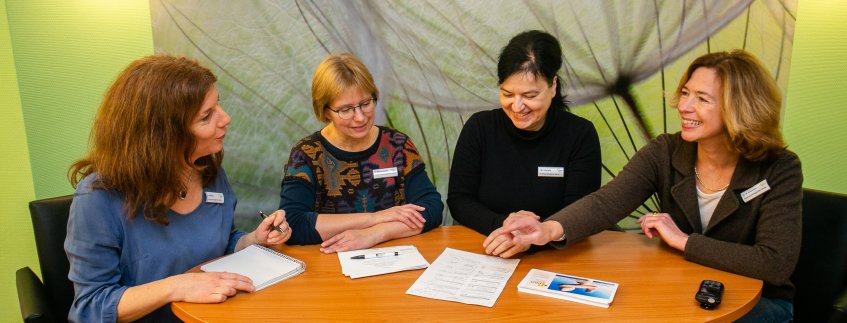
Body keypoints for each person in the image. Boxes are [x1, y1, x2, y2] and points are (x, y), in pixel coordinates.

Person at [484, 50, 801, 322]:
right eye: (686, 93)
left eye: (701, 99)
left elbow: (774, 263)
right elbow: (607, 202)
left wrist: (682, 240)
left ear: (740, 108)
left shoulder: (780, 167)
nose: (684, 106)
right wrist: (549, 230)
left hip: (758, 302)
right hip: (684, 291)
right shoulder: (666, 150)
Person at [65, 55, 291, 322]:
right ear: (163, 136)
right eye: (206, 116)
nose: (226, 118)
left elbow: (221, 241)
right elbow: (90, 307)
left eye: (218, 105)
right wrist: (177, 286)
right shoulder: (97, 200)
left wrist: (252, 240)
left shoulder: (209, 172)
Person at [448, 30, 601, 247]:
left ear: (553, 86)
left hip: (557, 253)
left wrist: (536, 235)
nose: (517, 107)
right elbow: (459, 200)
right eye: (507, 94)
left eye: (530, 96)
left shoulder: (579, 135)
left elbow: (581, 211)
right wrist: (505, 226)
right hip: (491, 246)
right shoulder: (480, 128)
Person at [279, 53, 443, 253]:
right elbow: (293, 224)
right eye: (346, 109)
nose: (360, 117)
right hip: (331, 265)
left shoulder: (397, 145)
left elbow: (431, 208)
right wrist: (375, 218)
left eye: (366, 103)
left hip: (393, 259)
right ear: (325, 111)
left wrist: (375, 234)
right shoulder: (307, 154)